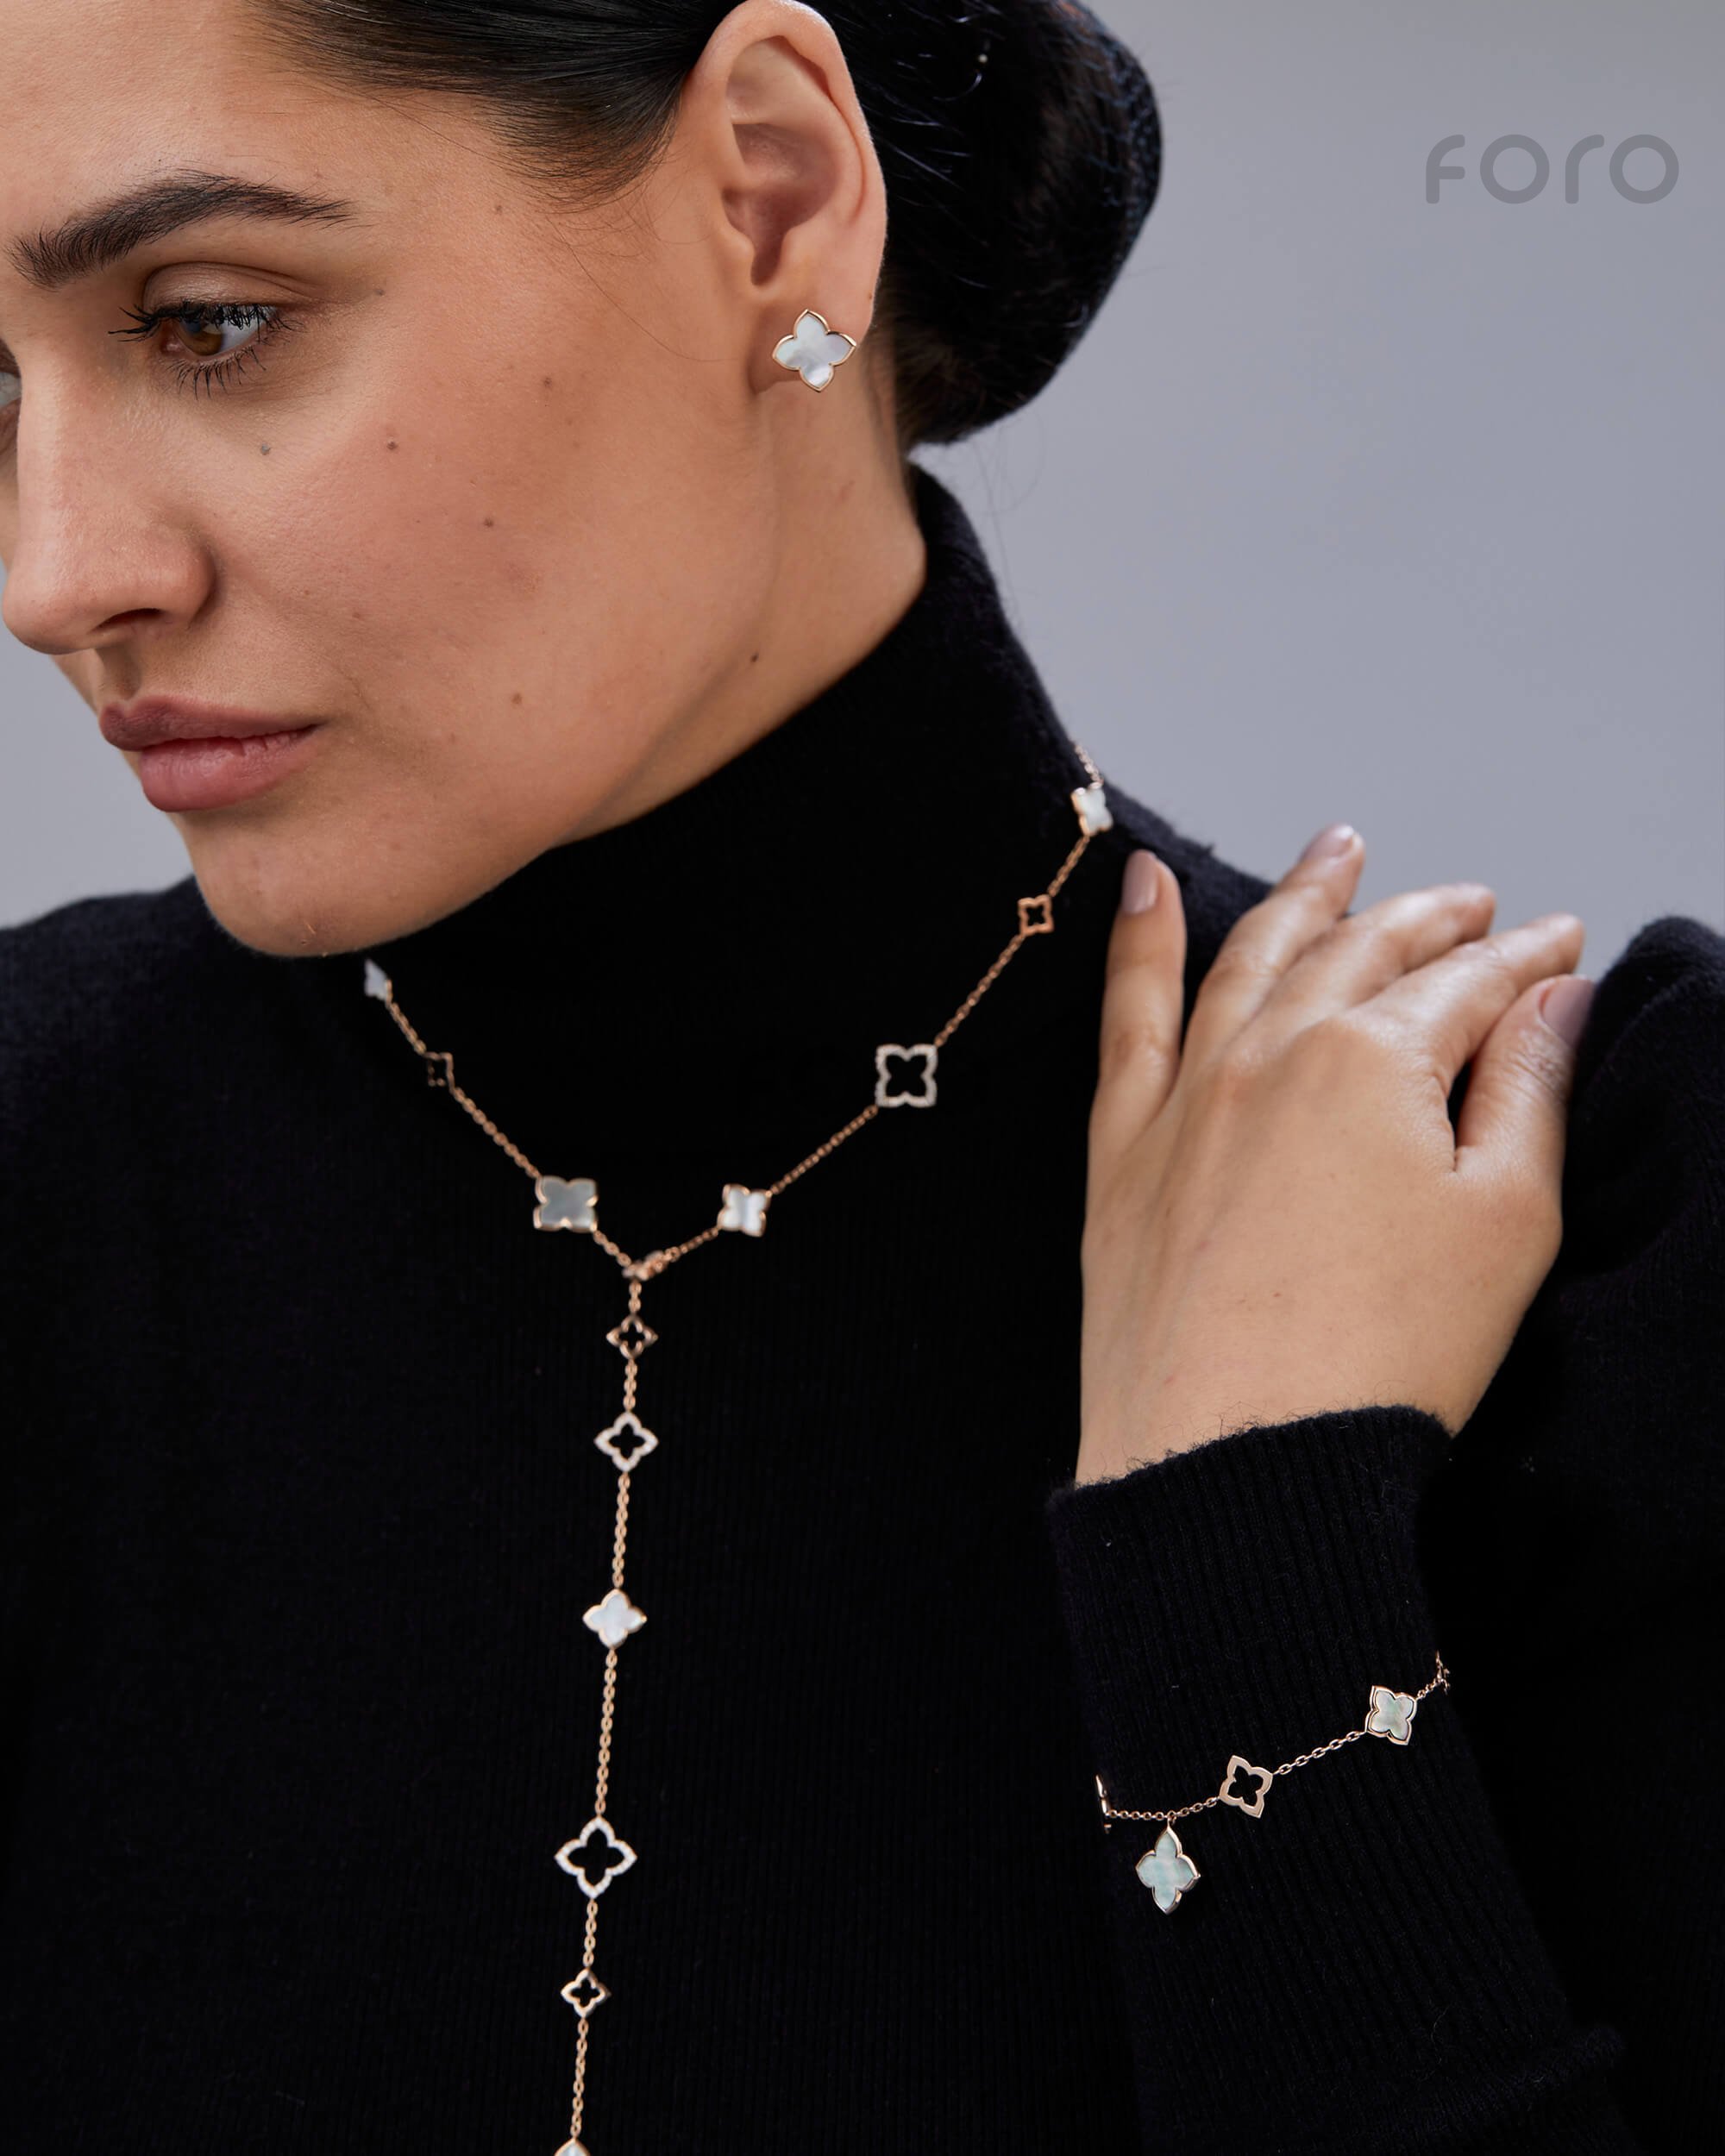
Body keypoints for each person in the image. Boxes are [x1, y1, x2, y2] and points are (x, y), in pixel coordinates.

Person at [0, 3, 1718, 2150]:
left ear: (774, 198)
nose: (53, 575)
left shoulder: (1591, 1240)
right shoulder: (35, 1177)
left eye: (210, 320)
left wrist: (1255, 1554)